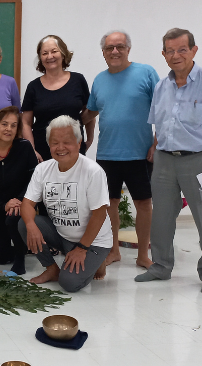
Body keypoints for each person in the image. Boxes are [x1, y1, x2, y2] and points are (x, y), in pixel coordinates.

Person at [135, 28, 202, 293]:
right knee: (161, 217)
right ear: (163, 54)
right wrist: (155, 150)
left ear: (194, 50)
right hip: (165, 160)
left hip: (200, 161)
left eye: (182, 49)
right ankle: (160, 266)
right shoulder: (161, 86)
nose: (176, 55)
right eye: (170, 51)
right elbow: (160, 125)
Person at [82, 30, 160, 269]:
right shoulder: (99, 80)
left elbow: (163, 109)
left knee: (143, 204)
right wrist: (65, 122)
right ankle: (114, 251)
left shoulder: (146, 73)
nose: (114, 51)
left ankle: (143, 255)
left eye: (119, 46)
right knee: (109, 204)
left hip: (140, 153)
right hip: (107, 153)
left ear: (128, 49)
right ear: (103, 52)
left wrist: (156, 143)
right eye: (109, 48)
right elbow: (90, 112)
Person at [18, 116, 112, 292]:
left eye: (67, 142)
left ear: (79, 143)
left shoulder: (93, 171)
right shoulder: (42, 169)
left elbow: (99, 215)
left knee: (69, 283)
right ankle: (51, 269)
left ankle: (97, 260)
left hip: (93, 241)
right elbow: (27, 204)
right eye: (55, 143)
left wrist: (82, 248)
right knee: (25, 223)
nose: (60, 148)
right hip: (64, 236)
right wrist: (31, 225)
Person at [0, 106, 38, 275]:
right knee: (0, 258)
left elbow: (34, 180)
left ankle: (20, 258)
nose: (8, 129)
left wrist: (19, 201)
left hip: (22, 203)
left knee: (13, 217)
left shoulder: (25, 147)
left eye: (13, 125)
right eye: (4, 124)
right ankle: (22, 247)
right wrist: (3, 205)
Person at [22, 35, 95, 162]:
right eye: (45, 53)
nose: (49, 56)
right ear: (40, 58)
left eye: (54, 51)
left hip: (74, 149)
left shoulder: (78, 80)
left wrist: (89, 139)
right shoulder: (33, 87)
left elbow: (89, 111)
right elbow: (26, 123)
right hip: (42, 153)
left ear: (63, 54)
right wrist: (32, 150)